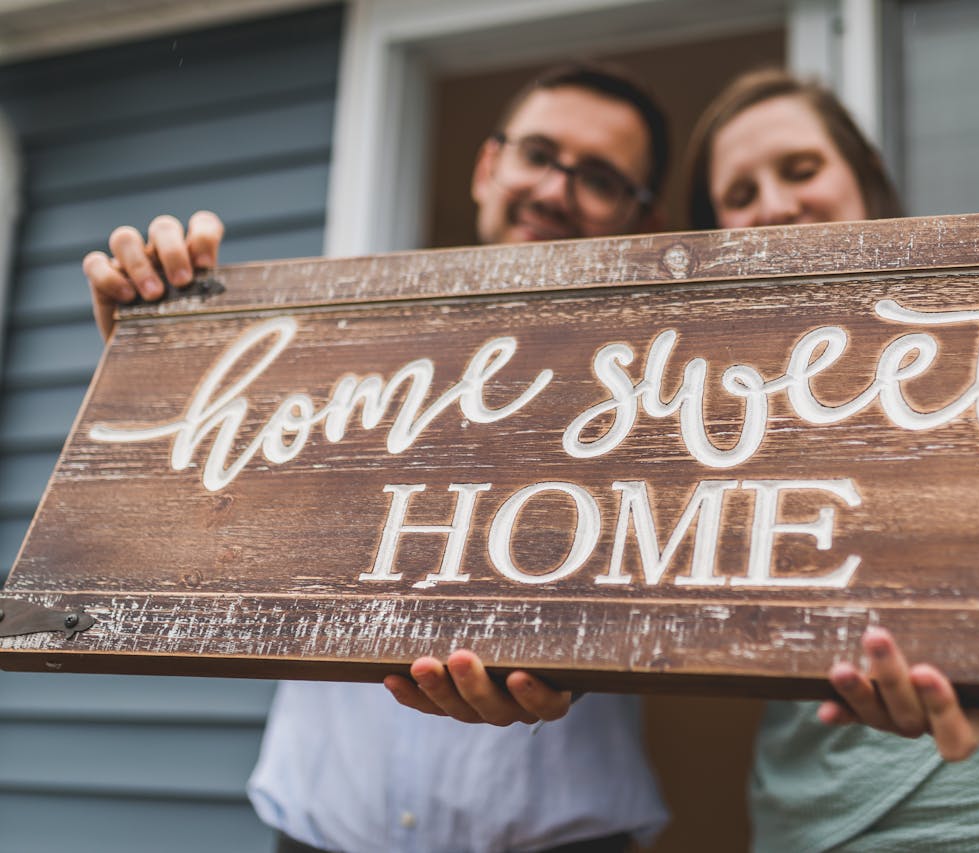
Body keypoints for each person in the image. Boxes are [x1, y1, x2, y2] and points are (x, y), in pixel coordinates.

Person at [82, 62, 672, 853]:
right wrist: (157, 363)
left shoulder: (674, 384)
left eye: (598, 178)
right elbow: (200, 506)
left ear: (644, 216)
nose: (555, 191)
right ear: (488, 166)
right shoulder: (333, 352)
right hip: (316, 830)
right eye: (538, 154)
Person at [684, 67, 979, 853]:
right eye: (740, 194)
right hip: (817, 809)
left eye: (800, 169)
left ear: (864, 177)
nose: (774, 204)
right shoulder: (696, 406)